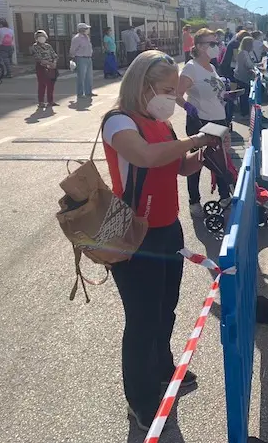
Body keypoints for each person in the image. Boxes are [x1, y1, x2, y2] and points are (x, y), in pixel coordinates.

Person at [102, 50, 217, 432]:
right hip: (133, 235)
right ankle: (140, 400)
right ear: (143, 85)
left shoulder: (162, 123)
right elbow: (146, 157)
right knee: (142, 319)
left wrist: (200, 153)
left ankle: (164, 372)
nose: (173, 98)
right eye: (167, 90)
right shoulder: (118, 121)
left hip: (168, 228)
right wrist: (192, 140)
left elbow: (178, 166)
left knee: (165, 308)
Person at [177, 28, 231, 216]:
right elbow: (177, 94)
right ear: (199, 47)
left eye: (217, 43)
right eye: (212, 44)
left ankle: (225, 196)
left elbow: (214, 92)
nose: (217, 47)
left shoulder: (212, 66)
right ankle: (194, 201)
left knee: (221, 161)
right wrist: (187, 107)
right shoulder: (191, 68)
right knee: (197, 162)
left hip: (219, 119)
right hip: (200, 122)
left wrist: (225, 95)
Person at [30, 30, 58, 109]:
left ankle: (50, 101)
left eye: (42, 36)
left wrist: (54, 63)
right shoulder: (35, 46)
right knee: (42, 84)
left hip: (51, 67)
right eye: (39, 37)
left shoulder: (48, 46)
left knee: (51, 84)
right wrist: (48, 63)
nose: (41, 38)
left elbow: (54, 55)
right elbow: (38, 58)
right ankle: (41, 102)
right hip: (41, 67)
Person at [70, 22, 94, 100]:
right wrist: (73, 58)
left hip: (88, 58)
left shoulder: (87, 37)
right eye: (86, 28)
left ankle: (88, 92)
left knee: (89, 76)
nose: (88, 30)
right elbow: (73, 49)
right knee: (81, 76)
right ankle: (80, 93)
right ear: (81, 29)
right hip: (81, 58)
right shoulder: (77, 38)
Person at [234, 36, 256, 115]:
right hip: (242, 77)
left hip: (240, 76)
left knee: (244, 95)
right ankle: (245, 113)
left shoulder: (242, 52)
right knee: (244, 96)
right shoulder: (244, 53)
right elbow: (249, 65)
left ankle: (244, 112)